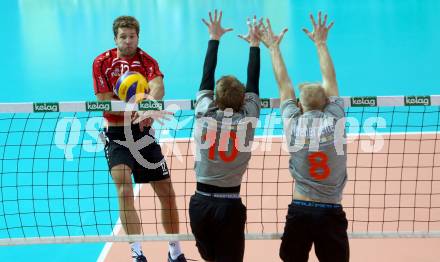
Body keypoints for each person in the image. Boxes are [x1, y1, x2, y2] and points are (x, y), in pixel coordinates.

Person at [92, 16, 187, 262]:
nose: (127, 41)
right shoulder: (102, 62)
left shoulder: (147, 61)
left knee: (167, 192)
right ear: (115, 38)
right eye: (123, 37)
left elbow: (158, 87)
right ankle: (137, 254)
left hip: (143, 135)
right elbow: (103, 100)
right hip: (116, 134)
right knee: (124, 190)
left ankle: (175, 252)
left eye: (132, 36)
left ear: (138, 37)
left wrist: (149, 104)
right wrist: (136, 107)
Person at [259, 13, 349, 262]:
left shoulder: (292, 123)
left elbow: (284, 85)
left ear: (299, 104)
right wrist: (321, 43)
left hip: (301, 210)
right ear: (327, 104)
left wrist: (274, 48)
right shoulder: (336, 121)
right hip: (331, 211)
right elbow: (331, 80)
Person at [189, 10, 262, 262]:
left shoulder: (203, 113)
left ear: (215, 99)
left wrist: (214, 37)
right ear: (243, 100)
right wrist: (255, 43)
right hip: (230, 205)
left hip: (200, 204)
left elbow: (206, 77)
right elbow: (254, 81)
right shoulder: (249, 117)